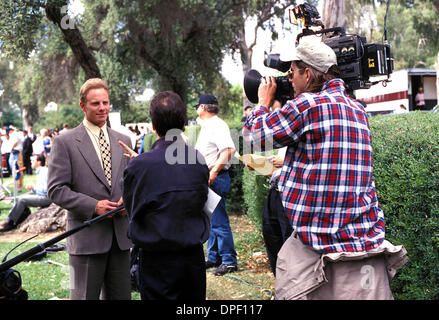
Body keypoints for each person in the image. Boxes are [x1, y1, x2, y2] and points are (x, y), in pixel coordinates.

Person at [243, 36, 407, 299]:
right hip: (362, 243)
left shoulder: (308, 105)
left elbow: (254, 137)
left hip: (319, 242)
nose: (289, 79)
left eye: (292, 72)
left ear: (307, 74)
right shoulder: (358, 109)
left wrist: (262, 103)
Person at [47, 78, 133, 300]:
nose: (102, 108)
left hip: (121, 239)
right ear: (82, 105)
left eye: (106, 102)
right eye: (96, 103)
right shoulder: (64, 142)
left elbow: (130, 182)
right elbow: (56, 189)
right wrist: (93, 206)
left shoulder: (124, 140)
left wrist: (128, 200)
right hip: (85, 240)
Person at [122, 91, 210, 300]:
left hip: (157, 260)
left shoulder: (140, 166)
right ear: (183, 125)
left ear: (153, 126)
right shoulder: (197, 160)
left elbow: (131, 209)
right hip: (192, 258)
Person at [194, 94, 238, 276]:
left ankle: (228, 261)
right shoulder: (209, 126)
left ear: (203, 108)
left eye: (197, 106)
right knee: (211, 220)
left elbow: (228, 150)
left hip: (216, 177)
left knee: (219, 221)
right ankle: (213, 257)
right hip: (211, 177)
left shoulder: (217, 125)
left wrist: (213, 172)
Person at [0, 154, 52, 232]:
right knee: (17, 198)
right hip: (42, 196)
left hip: (46, 198)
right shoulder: (40, 171)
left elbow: (46, 190)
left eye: (33, 160)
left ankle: (9, 222)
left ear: (39, 162)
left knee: (22, 199)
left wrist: (34, 187)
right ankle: (21, 217)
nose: (31, 162)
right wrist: (33, 189)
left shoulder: (44, 171)